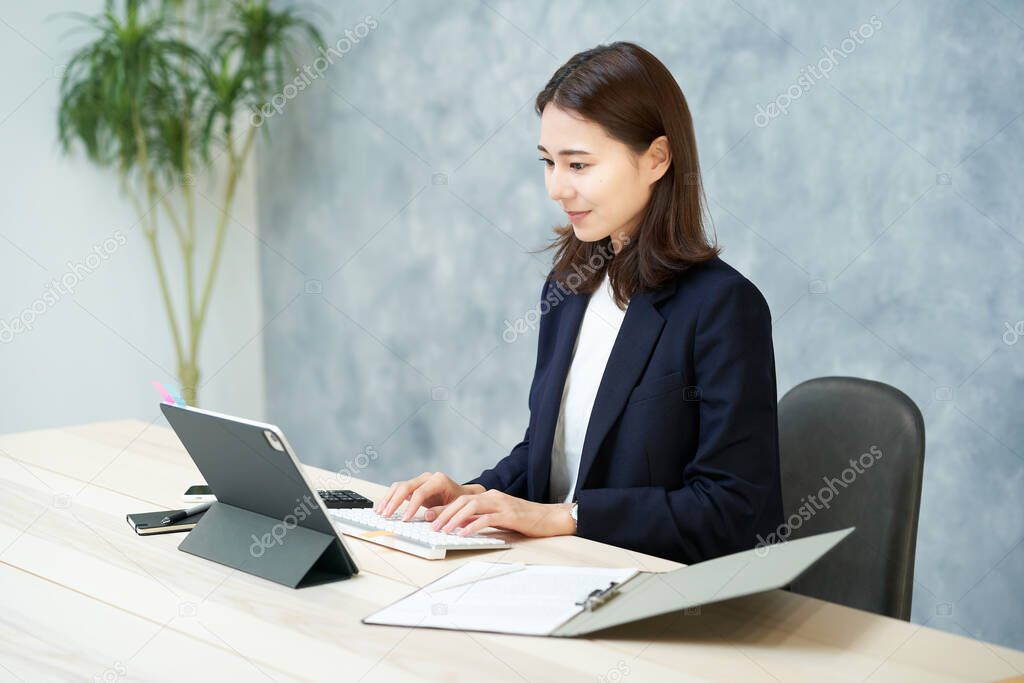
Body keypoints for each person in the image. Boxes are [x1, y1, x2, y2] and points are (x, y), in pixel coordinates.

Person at [374, 41, 784, 564]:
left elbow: (731, 511)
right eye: (548, 162)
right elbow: (549, 457)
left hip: (667, 597)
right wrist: (475, 495)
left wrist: (566, 517)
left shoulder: (724, 308)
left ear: (657, 158)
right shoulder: (567, 288)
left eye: (579, 164)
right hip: (567, 574)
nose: (555, 188)